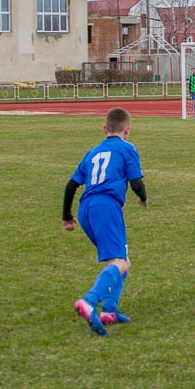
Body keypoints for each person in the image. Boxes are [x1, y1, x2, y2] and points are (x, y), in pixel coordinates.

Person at [62, 107, 148, 336]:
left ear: (104, 129)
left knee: (122, 259)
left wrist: (66, 216)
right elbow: (136, 181)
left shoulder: (92, 152)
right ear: (127, 129)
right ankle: (89, 302)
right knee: (119, 263)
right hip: (106, 207)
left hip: (85, 209)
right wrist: (143, 197)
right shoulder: (127, 148)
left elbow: (71, 185)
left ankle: (109, 310)